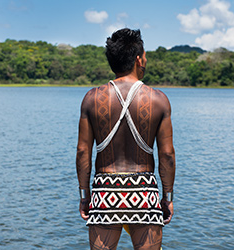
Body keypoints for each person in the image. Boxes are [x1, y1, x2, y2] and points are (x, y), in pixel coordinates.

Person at [76, 28, 175, 250]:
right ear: (138, 60)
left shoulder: (91, 99)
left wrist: (85, 195)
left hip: (104, 191)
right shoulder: (158, 100)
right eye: (145, 56)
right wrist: (167, 197)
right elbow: (167, 155)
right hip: (143, 191)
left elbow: (83, 152)